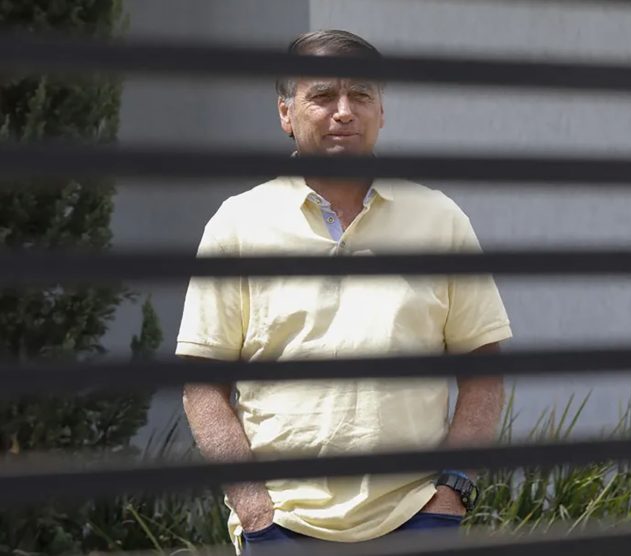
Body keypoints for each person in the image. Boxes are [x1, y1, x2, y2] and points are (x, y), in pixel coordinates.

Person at [176, 29, 512, 554]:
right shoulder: (236, 226)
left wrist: (452, 495)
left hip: (415, 521)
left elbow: (482, 370)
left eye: (361, 95)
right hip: (283, 528)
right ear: (286, 113)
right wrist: (256, 513)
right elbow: (202, 387)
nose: (344, 112)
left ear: (382, 111)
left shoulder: (440, 221)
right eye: (323, 96)